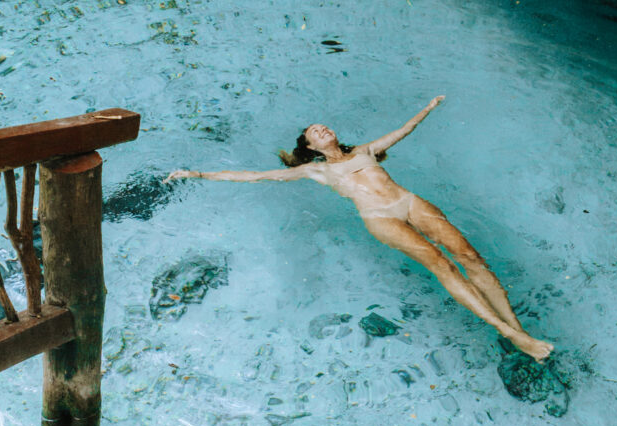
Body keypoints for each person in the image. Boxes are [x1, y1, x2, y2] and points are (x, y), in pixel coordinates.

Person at [165, 97, 552, 360]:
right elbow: (253, 176)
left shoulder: (366, 151)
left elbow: (405, 129)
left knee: (470, 256)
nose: (322, 129)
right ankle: (508, 333)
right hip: (380, 219)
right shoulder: (315, 170)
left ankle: (519, 332)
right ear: (310, 147)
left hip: (409, 202)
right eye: (314, 132)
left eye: (323, 126)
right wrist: (197, 173)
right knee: (443, 265)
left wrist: (431, 106)